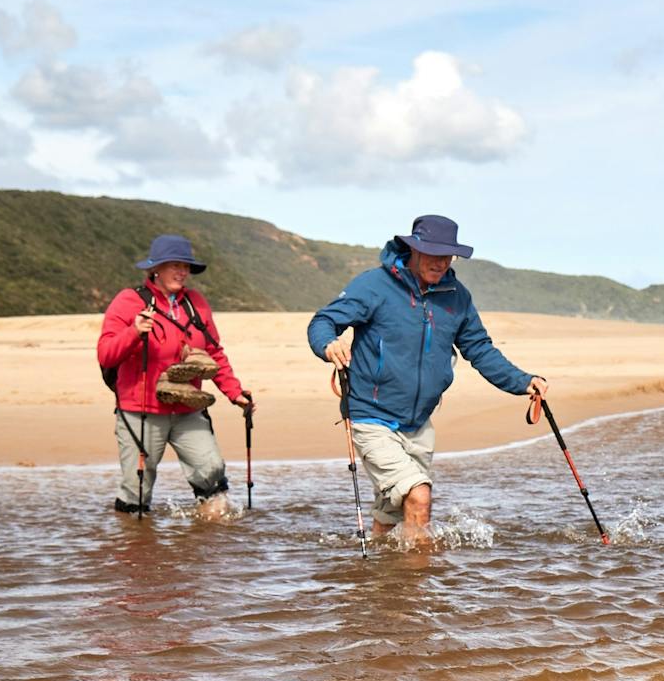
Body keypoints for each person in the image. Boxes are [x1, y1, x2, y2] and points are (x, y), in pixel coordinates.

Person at [306, 215, 546, 543]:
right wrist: (328, 344)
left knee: (390, 518)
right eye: (433, 253)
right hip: (371, 416)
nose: (441, 262)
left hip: (418, 423)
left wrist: (522, 381)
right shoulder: (374, 286)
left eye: (447, 255)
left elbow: (479, 348)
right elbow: (323, 321)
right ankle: (420, 574)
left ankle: (380, 571)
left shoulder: (456, 296)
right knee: (419, 496)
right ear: (414, 249)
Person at [97, 234, 251, 518]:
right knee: (136, 492)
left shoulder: (196, 303)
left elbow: (214, 352)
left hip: (188, 408)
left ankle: (211, 536)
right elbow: (106, 355)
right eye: (175, 265)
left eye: (186, 266)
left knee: (212, 473)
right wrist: (134, 332)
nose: (182, 272)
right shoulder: (128, 301)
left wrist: (235, 392)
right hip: (141, 411)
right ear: (156, 268)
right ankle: (133, 540)